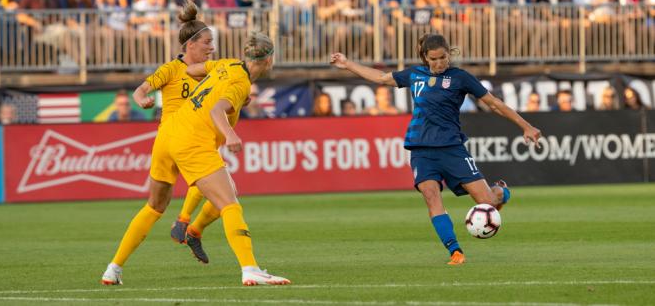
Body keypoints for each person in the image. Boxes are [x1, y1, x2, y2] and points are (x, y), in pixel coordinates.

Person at [330, 33, 541, 265]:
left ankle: (501, 192)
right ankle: (455, 252)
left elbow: (494, 103)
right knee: (431, 196)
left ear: (448, 54)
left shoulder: (460, 77)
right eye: (434, 59)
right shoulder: (415, 74)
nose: (440, 63)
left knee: (488, 203)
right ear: (425, 57)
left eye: (443, 57)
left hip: (452, 148)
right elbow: (381, 77)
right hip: (421, 149)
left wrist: (526, 126)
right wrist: (347, 64)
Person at [101, 27, 290, 286]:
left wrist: (213, 86)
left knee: (155, 206)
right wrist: (230, 135)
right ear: (268, 60)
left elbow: (191, 71)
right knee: (229, 203)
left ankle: (114, 269)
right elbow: (216, 111)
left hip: (167, 135)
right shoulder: (241, 83)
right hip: (192, 141)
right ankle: (250, 268)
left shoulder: (227, 64)